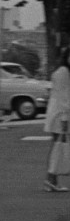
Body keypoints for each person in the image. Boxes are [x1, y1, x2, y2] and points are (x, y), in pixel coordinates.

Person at [44, 47, 70, 192]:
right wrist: (65, 119)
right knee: (58, 148)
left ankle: (51, 180)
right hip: (60, 116)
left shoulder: (61, 71)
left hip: (56, 114)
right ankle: (51, 179)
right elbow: (64, 97)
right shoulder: (64, 73)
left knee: (57, 147)